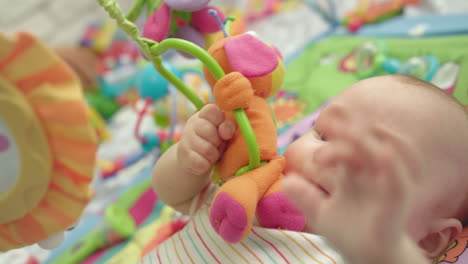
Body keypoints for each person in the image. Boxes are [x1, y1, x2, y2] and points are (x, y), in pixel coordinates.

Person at [143, 75, 468, 264]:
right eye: (324, 135)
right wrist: (189, 160)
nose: (331, 157)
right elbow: (177, 196)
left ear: (427, 242)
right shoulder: (250, 187)